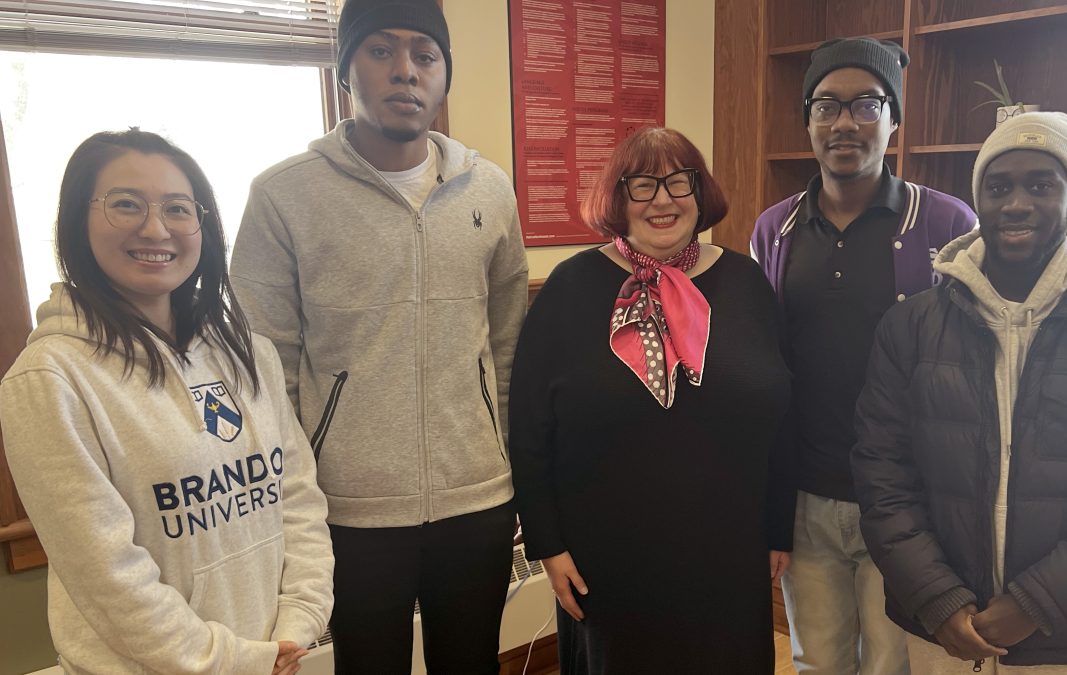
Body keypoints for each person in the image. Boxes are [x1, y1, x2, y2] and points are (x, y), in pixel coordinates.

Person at [228, 0, 529, 672]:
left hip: (476, 498)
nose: (405, 71)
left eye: (424, 54)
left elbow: (509, 346)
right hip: (349, 509)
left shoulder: (491, 190)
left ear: (444, 74)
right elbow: (264, 370)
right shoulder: (283, 196)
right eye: (381, 51)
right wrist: (297, 495)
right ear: (346, 70)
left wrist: (507, 459)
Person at [851, 111, 1067, 674]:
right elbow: (882, 472)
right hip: (940, 629)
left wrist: (1035, 604)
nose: (1016, 203)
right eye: (998, 186)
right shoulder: (911, 325)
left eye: (1041, 184)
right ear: (979, 200)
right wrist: (938, 598)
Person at [0, 129, 333, 675]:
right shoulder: (49, 379)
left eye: (178, 208)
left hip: (275, 658)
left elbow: (295, 495)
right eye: (125, 204)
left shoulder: (247, 351)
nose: (155, 228)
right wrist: (229, 660)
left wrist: (297, 624)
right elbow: (108, 575)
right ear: (77, 221)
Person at [509, 126, 794, 674]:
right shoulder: (569, 289)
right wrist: (546, 544)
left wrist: (779, 526)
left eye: (679, 181)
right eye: (642, 185)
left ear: (700, 190)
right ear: (618, 199)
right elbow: (528, 429)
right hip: (607, 560)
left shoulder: (747, 283)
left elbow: (781, 413)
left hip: (727, 551)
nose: (663, 199)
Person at [750, 37, 976, 675]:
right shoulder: (775, 229)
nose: (844, 121)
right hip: (806, 498)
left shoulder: (947, 224)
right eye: (826, 105)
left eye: (866, 104)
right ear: (808, 121)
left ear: (894, 119)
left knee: (891, 664)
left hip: (905, 499)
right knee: (817, 661)